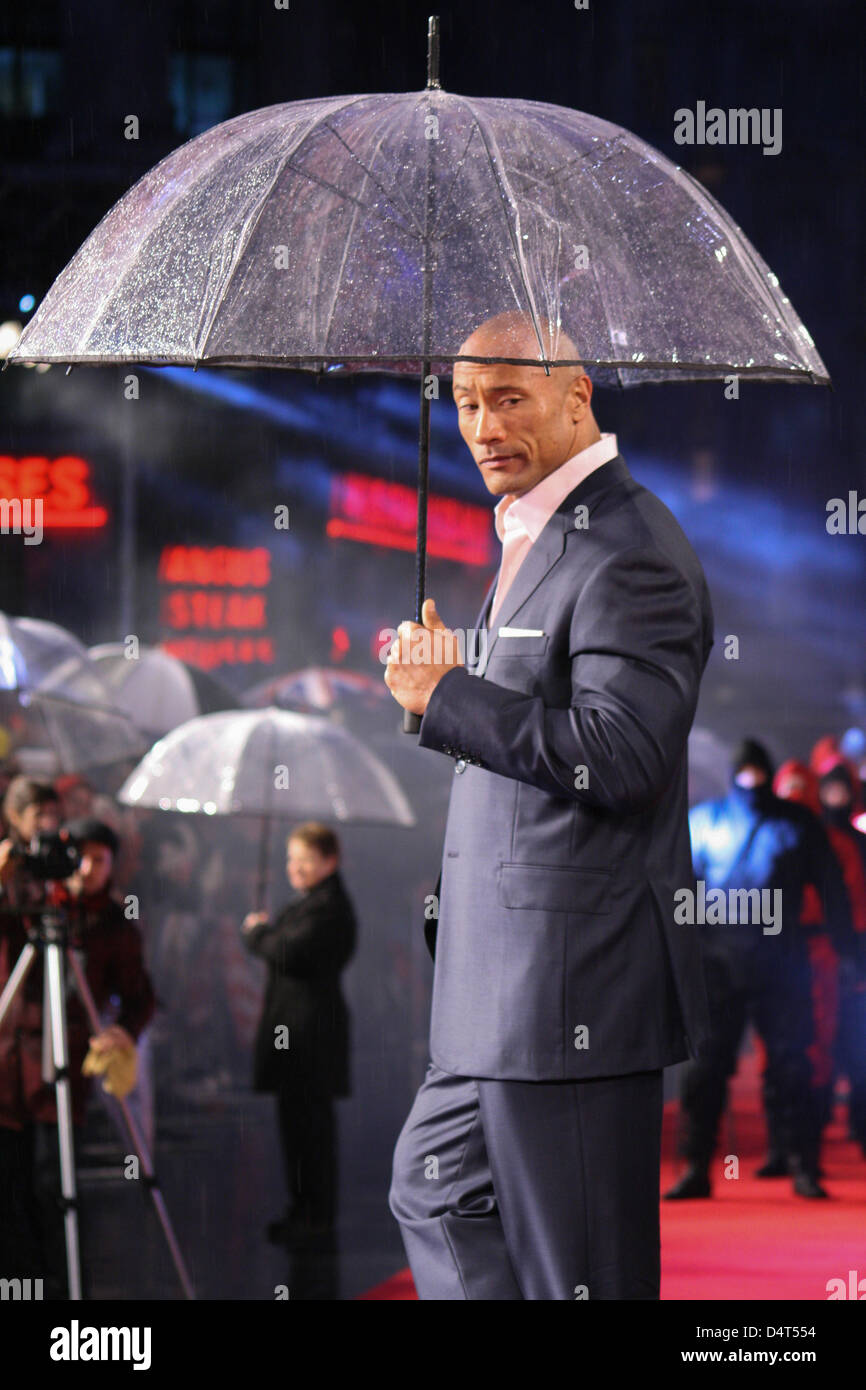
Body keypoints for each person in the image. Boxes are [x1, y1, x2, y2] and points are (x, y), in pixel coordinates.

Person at [384, 310, 714, 1300]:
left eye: (509, 399)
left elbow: (622, 756)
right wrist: (439, 692)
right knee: (431, 1190)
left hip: (570, 987)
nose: (482, 425)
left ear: (577, 399)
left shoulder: (627, 547)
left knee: (581, 1275)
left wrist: (449, 697)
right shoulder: (542, 532)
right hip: (496, 992)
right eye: (466, 402)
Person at [665, 740, 852, 1202]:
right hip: (720, 965)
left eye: (755, 773)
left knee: (793, 1066)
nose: (751, 782)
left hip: (780, 962)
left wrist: (846, 951)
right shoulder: (706, 821)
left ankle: (803, 1164)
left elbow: (832, 892)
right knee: (707, 1071)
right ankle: (697, 1167)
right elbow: (679, 888)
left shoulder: (794, 823)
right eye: (744, 773)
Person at [0, 798, 155, 1298]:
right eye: (78, 857)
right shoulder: (27, 905)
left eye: (99, 859)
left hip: (62, 1072)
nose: (87, 869)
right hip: (7, 1069)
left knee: (53, 1182)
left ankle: (67, 1290)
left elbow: (139, 997)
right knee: (10, 1187)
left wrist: (124, 1030)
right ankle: (19, 1287)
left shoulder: (113, 925)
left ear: (113, 864)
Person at [241, 822, 356, 1245]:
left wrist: (257, 934)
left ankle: (315, 1215)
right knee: (297, 1130)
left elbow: (290, 952)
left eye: (305, 860)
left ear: (330, 861)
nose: (296, 868)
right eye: (292, 859)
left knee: (311, 1133)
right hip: (296, 1037)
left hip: (311, 1039)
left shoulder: (331, 910)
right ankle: (302, 1210)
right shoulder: (310, 904)